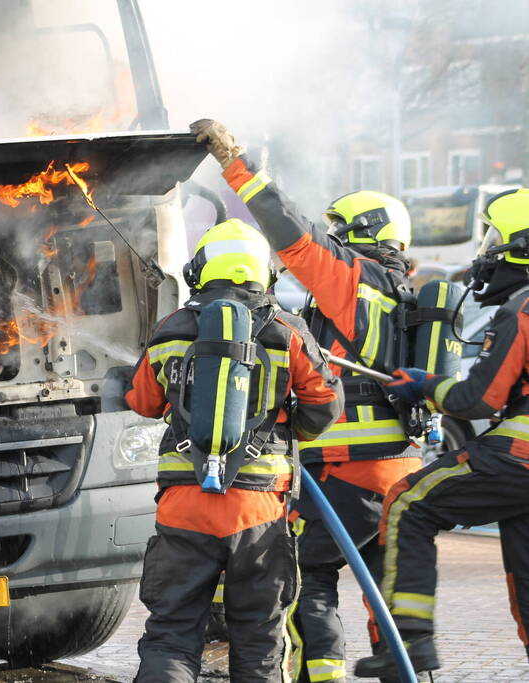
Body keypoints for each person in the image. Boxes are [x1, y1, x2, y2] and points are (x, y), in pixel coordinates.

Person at [191, 119, 427, 683]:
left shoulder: (352, 281)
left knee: (308, 580)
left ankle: (321, 678)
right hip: (404, 470)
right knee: (385, 591)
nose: (334, 242)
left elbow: (289, 230)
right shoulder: (409, 296)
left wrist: (235, 163)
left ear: (363, 233)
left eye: (341, 232)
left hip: (347, 468)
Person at [128, 218, 343, 683]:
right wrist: (291, 428)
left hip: (184, 508)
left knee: (170, 635)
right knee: (260, 639)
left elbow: (143, 402)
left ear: (199, 270)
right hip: (259, 511)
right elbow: (326, 404)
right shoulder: (287, 330)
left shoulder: (172, 329)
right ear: (264, 271)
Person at [353, 188, 529, 677]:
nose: (487, 251)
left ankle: (407, 643)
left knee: (409, 502)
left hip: (520, 456)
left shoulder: (523, 310)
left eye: (494, 237)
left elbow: (479, 399)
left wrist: (425, 385)